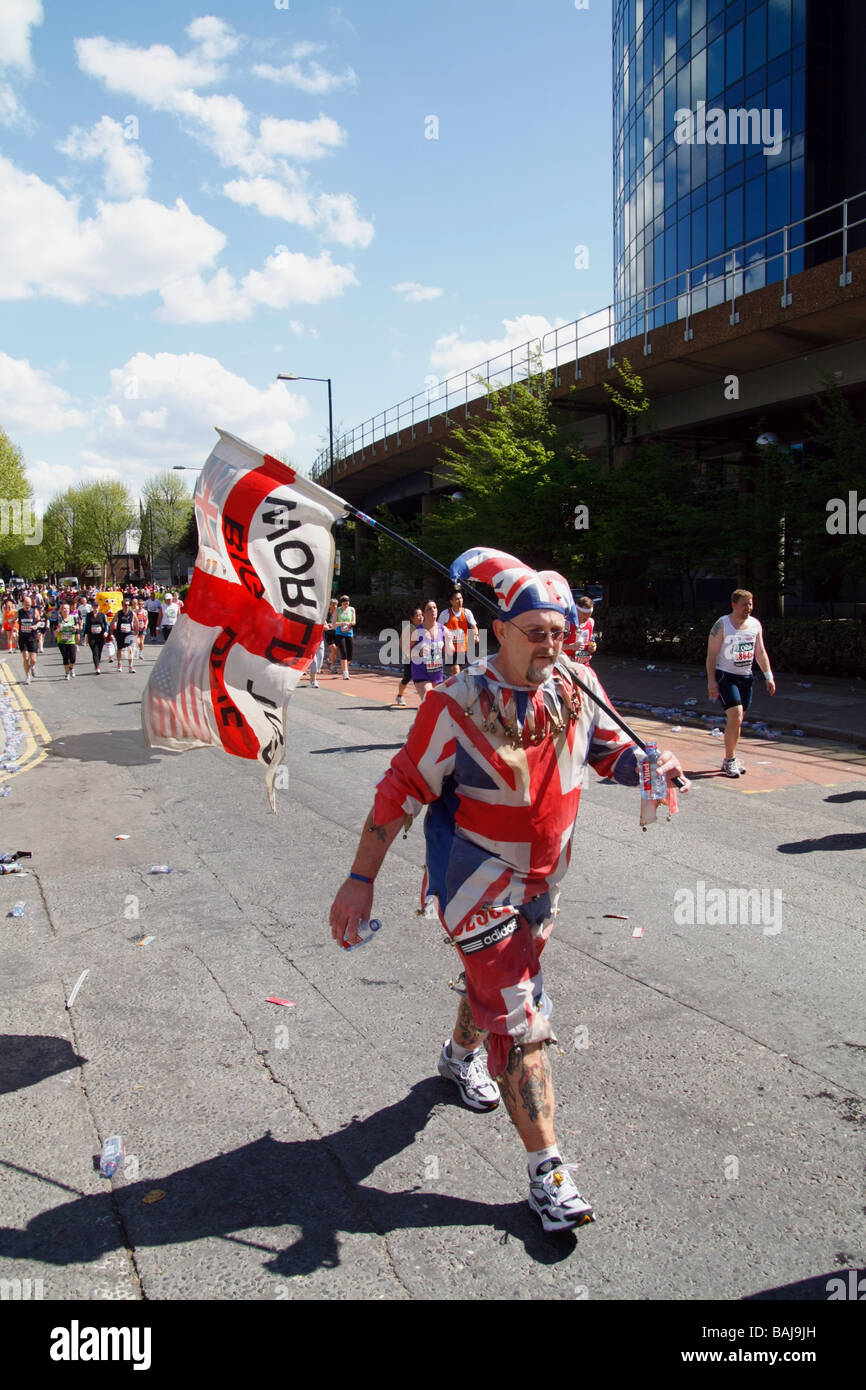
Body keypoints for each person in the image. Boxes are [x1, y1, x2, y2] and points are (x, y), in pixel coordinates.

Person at [328, 547, 689, 1233]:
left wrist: (652, 764)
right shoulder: (456, 702)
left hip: (544, 879)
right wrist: (359, 881)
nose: (552, 645)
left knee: (496, 989)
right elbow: (400, 790)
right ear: (502, 631)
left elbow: (611, 751)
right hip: (475, 881)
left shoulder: (577, 685)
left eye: (561, 632)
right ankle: (547, 1173)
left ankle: (460, 1054)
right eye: (537, 633)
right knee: (523, 1016)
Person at [706, 588, 775, 777]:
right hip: (725, 676)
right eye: (744, 604)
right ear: (734, 604)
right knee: (735, 716)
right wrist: (712, 682)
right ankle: (729, 761)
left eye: (751, 604)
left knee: (737, 721)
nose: (749, 608)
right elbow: (711, 655)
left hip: (746, 677)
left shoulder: (755, 625)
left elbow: (760, 652)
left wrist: (768, 676)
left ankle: (730, 757)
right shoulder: (722, 624)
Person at [410, 600, 452, 702]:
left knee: (435, 706)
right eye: (429, 609)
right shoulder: (417, 631)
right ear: (424, 613)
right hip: (421, 672)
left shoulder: (443, 630)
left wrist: (450, 648)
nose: (433, 610)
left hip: (436, 672)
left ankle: (423, 717)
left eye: (435, 608)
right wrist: (419, 652)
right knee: (429, 699)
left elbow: (450, 649)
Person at [439, 588, 479, 677]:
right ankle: (455, 687)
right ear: (451, 601)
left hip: (462, 647)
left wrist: (475, 635)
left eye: (461, 598)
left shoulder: (467, 612)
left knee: (455, 670)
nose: (460, 600)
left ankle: (453, 687)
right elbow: (438, 628)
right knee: (455, 670)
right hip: (450, 647)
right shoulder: (445, 614)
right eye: (457, 599)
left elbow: (474, 626)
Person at [393, 606, 423, 707]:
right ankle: (400, 696)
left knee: (421, 679)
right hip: (409, 657)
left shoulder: (425, 627)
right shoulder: (409, 628)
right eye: (417, 616)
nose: (420, 617)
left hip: (421, 657)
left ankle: (425, 700)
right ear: (412, 618)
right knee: (407, 677)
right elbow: (401, 643)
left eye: (421, 615)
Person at [564, 596, 596, 665]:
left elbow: (591, 640)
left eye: (589, 614)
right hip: (567, 665)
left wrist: (592, 647)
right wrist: (571, 647)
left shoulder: (591, 622)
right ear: (576, 610)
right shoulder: (566, 623)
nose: (586, 617)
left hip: (583, 664)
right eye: (584, 614)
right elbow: (555, 646)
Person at [17, 595, 39, 684]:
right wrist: (14, 627)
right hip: (23, 638)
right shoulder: (19, 612)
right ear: (23, 603)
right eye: (26, 603)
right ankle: (27, 676)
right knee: (25, 657)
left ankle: (32, 666)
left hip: (32, 637)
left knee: (33, 659)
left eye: (29, 604)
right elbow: (13, 620)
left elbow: (39, 621)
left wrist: (36, 626)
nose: (27, 605)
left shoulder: (34, 611)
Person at [111, 597, 137, 673]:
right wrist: (111, 633)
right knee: (120, 649)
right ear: (122, 605)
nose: (126, 606)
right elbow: (112, 622)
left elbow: (136, 622)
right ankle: (119, 664)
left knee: (130, 649)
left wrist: (136, 632)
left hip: (129, 633)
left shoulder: (132, 613)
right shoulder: (118, 613)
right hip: (120, 634)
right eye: (125, 605)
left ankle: (131, 667)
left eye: (128, 605)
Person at [82, 602, 109, 673]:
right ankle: (97, 667)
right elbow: (86, 625)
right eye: (94, 606)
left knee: (99, 651)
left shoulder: (102, 615)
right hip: (92, 636)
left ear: (99, 607)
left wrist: (106, 632)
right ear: (92, 607)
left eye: (97, 606)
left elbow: (106, 624)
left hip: (100, 635)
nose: (95, 608)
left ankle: (97, 664)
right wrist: (85, 636)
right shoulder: (89, 615)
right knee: (95, 651)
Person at [334, 594, 356, 681]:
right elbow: (334, 623)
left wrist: (351, 623)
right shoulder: (337, 610)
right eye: (344, 604)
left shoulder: (352, 609)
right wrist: (342, 623)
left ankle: (345, 666)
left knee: (350, 655)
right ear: (341, 604)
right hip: (340, 633)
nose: (346, 605)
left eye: (347, 603)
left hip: (349, 633)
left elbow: (354, 620)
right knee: (343, 652)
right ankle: (345, 672)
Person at [56, 602, 80, 679]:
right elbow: (55, 632)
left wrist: (75, 628)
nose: (66, 610)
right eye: (64, 609)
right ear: (61, 610)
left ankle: (71, 668)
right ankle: (67, 674)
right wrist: (59, 629)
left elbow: (77, 626)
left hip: (71, 641)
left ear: (69, 610)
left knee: (73, 658)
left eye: (67, 609)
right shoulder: (59, 619)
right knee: (65, 658)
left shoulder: (73, 618)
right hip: (62, 641)